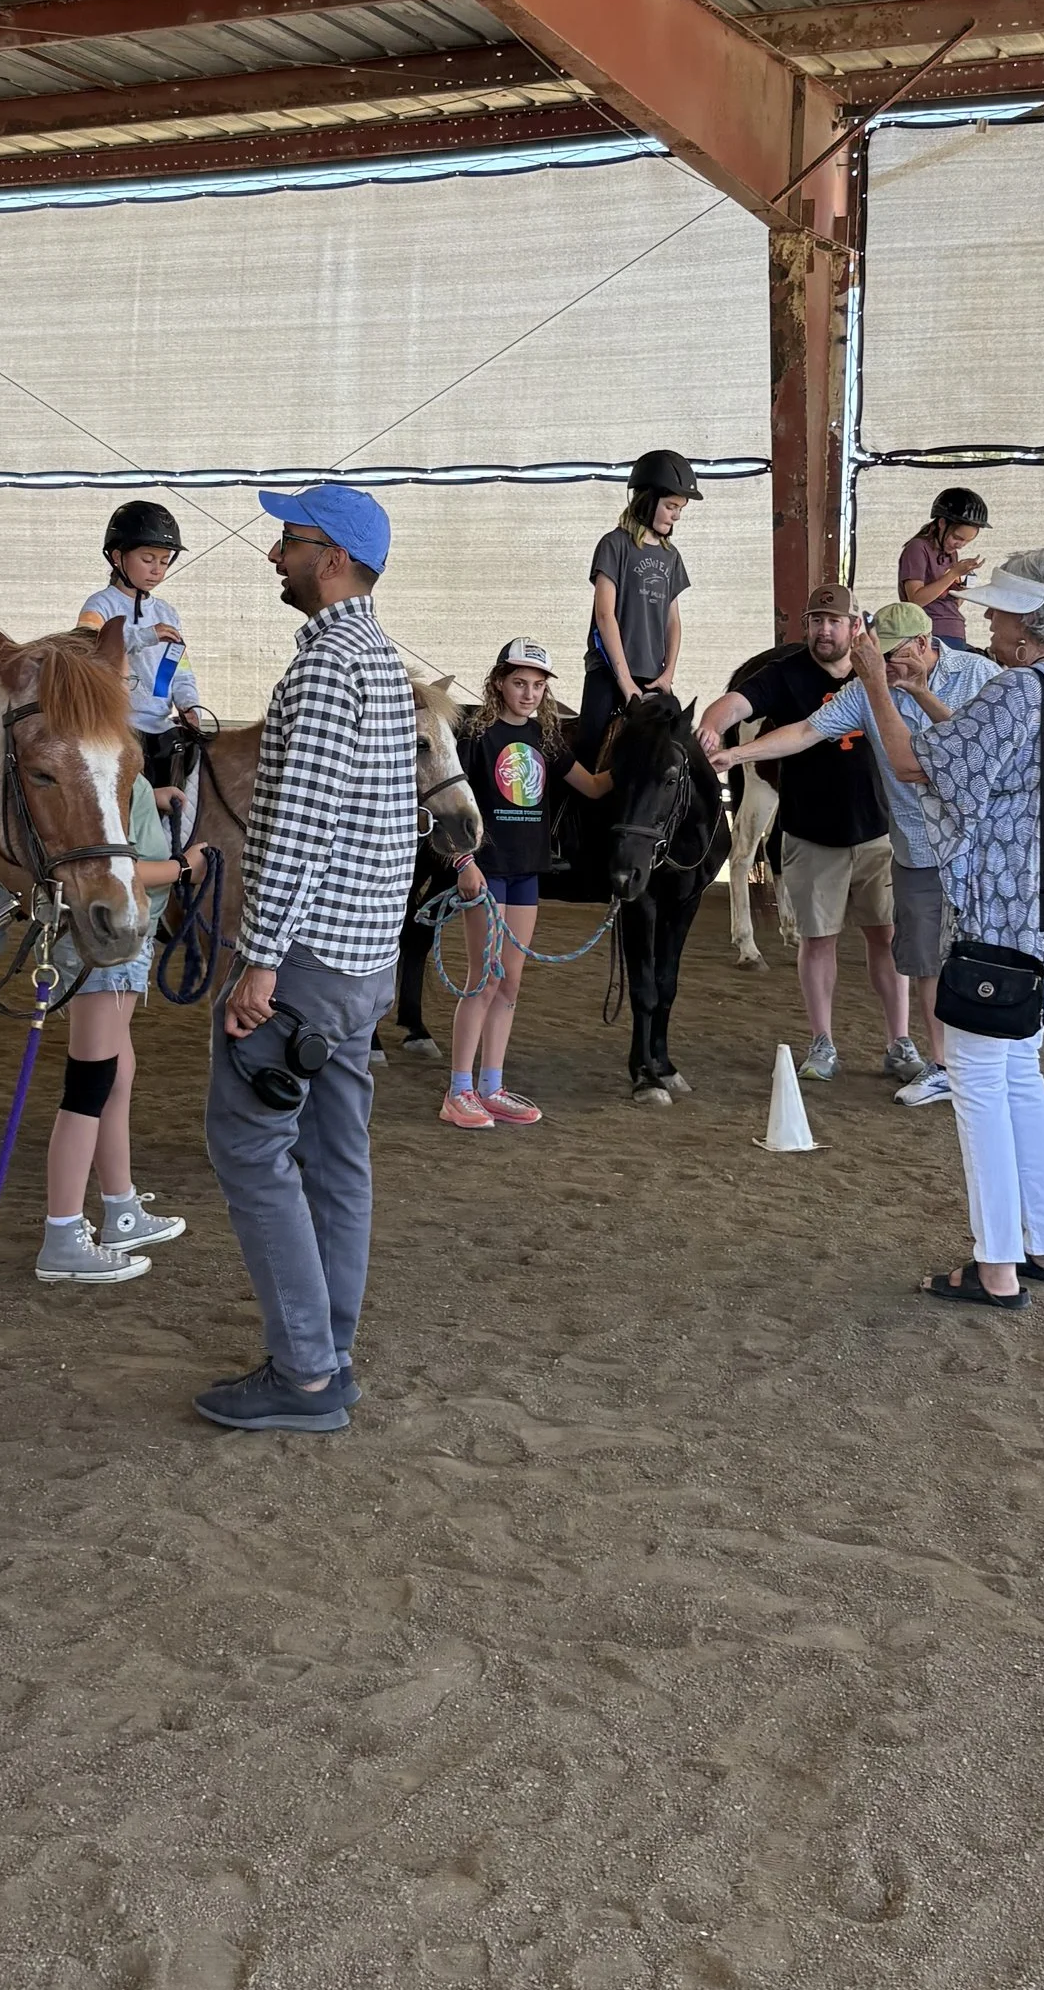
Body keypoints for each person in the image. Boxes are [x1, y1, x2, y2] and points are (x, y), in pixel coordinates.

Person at [738, 552, 1044, 1306]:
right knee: (1021, 1078)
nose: (988, 621)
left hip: (1002, 918)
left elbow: (913, 768)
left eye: (1001, 613)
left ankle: (998, 1264)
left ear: (1031, 625)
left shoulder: (1014, 691)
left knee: (977, 1083)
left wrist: (875, 680)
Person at [197, 483, 417, 1434]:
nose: (274, 555)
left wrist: (257, 961)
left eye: (287, 541)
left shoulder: (328, 668)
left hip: (309, 960)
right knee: (337, 1155)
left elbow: (295, 827)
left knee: (248, 1142)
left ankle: (306, 1373)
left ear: (332, 558)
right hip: (364, 958)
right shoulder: (384, 662)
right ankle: (329, 1350)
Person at [697, 585, 911, 1085]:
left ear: (855, 625)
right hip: (812, 832)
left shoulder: (879, 669)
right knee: (817, 941)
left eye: (834, 621)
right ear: (807, 625)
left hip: (878, 829)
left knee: (887, 938)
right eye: (816, 620)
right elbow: (736, 702)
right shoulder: (785, 673)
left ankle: (899, 1041)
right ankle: (822, 1042)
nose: (824, 630)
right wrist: (711, 726)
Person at [35, 773, 216, 1284]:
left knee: (116, 1074)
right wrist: (184, 867)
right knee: (90, 1081)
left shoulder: (119, 776)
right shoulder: (103, 775)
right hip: (109, 941)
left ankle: (121, 1208)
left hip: (124, 943)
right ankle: (63, 1231)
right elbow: (120, 868)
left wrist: (146, 795)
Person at [440, 638, 609, 1129]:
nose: (529, 693)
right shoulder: (475, 737)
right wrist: (462, 864)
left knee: (511, 979)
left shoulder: (547, 740)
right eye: (519, 683)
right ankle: (458, 1091)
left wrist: (640, 760)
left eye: (537, 685)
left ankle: (491, 1085)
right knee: (485, 976)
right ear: (498, 683)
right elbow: (452, 809)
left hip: (527, 872)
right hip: (486, 869)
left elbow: (594, 787)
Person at [869, 599, 998, 1109]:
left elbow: (968, 752)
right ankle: (942, 1064)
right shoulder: (871, 687)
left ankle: (982, 1063)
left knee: (983, 955)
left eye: (893, 653)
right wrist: (738, 753)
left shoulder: (984, 676)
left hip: (981, 848)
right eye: (878, 656)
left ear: (924, 643)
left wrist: (918, 693)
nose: (885, 665)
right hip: (918, 848)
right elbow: (812, 727)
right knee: (926, 960)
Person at [78, 499, 203, 830]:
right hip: (117, 727)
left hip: (160, 729)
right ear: (118, 557)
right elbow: (88, 644)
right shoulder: (99, 605)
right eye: (147, 559)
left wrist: (189, 703)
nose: (157, 569)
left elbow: (177, 668)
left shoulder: (167, 613)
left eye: (164, 561)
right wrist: (146, 635)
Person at [580, 446, 697, 760]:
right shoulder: (614, 545)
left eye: (681, 509)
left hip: (652, 674)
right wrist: (625, 681)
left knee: (674, 750)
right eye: (671, 506)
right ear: (647, 500)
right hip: (609, 670)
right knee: (589, 746)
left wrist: (667, 674)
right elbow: (605, 615)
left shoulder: (671, 557)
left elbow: (673, 620)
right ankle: (568, 810)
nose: (677, 515)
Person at [896, 487, 988, 648]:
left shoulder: (950, 553)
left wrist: (962, 589)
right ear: (942, 523)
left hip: (954, 629)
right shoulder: (918, 548)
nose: (960, 545)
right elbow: (916, 599)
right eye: (957, 538)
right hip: (929, 631)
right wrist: (953, 574)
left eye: (967, 542)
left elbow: (952, 603)